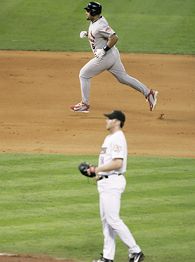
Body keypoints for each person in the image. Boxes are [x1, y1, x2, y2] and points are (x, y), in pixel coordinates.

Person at [70, 2, 158, 113]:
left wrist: (104, 50)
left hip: (105, 57)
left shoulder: (100, 25)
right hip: (113, 55)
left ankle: (84, 104)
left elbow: (114, 38)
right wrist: (87, 34)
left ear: (93, 12)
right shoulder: (96, 21)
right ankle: (149, 93)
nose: (85, 12)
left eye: (87, 11)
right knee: (123, 78)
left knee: (84, 74)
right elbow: (99, 35)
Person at [87, 110, 144, 262]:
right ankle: (107, 257)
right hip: (106, 181)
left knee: (113, 220)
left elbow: (118, 163)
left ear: (117, 122)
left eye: (110, 118)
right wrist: (97, 174)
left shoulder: (118, 138)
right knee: (107, 221)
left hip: (113, 182)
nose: (107, 120)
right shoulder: (109, 138)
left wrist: (97, 170)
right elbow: (108, 162)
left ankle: (135, 251)